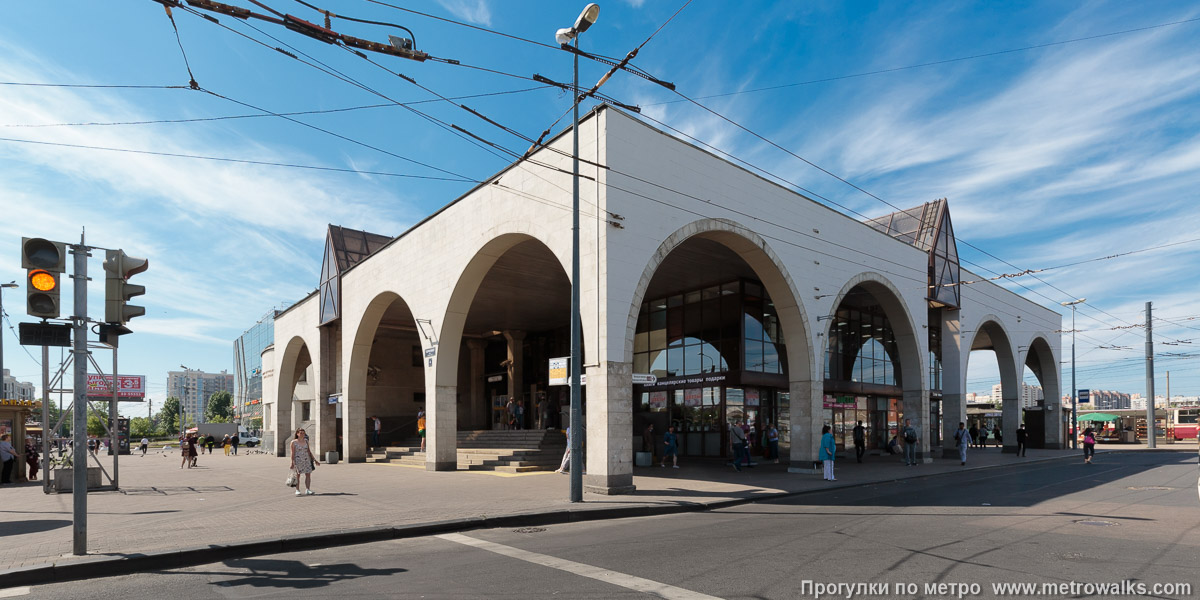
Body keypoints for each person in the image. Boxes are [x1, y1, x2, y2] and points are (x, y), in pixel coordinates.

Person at [290, 428, 320, 495]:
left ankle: (308, 489)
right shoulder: (293, 442)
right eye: (300, 433)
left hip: (306, 460)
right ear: (297, 434)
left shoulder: (306, 441)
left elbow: (309, 451)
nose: (302, 434)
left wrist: (315, 460)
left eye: (303, 433)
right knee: (298, 476)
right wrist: (292, 462)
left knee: (308, 474)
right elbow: (292, 453)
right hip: (298, 460)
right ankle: (297, 490)